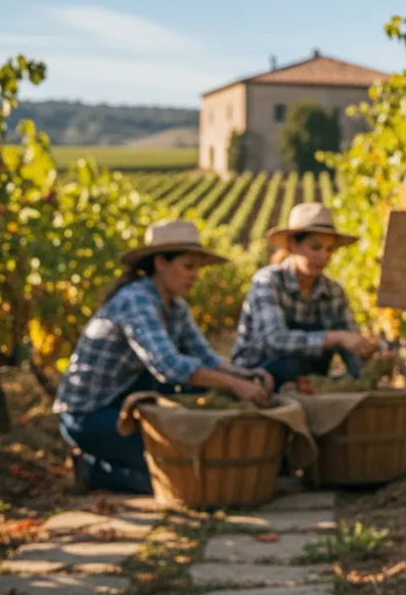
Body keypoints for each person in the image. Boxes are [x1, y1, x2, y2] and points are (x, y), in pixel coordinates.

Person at [54, 219, 274, 494]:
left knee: (193, 449)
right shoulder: (136, 300)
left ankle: (116, 456)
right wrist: (234, 385)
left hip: (126, 398)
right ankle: (91, 469)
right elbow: (168, 366)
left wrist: (243, 374)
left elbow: (203, 356)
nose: (195, 275)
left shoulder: (176, 305)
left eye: (197, 268)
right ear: (160, 263)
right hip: (89, 415)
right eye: (188, 266)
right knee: (177, 474)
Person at [231, 202, 377, 388]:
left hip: (307, 379)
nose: (324, 256)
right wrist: (336, 337)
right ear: (293, 245)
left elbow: (350, 344)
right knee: (290, 366)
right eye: (315, 247)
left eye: (329, 249)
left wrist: (367, 356)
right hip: (256, 375)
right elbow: (275, 340)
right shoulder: (268, 282)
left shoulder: (333, 292)